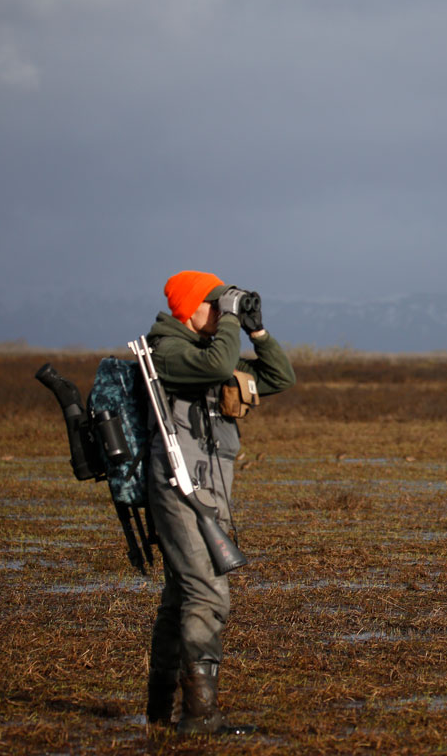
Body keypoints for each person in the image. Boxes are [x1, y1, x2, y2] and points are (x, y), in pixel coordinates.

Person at [143, 270, 295, 735]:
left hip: (209, 490)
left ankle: (158, 711)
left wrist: (257, 329)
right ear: (191, 309)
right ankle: (200, 714)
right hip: (179, 489)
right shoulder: (169, 352)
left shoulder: (213, 353)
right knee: (209, 593)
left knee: (182, 596)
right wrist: (230, 324)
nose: (223, 309)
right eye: (215, 302)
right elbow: (214, 367)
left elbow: (279, 376)